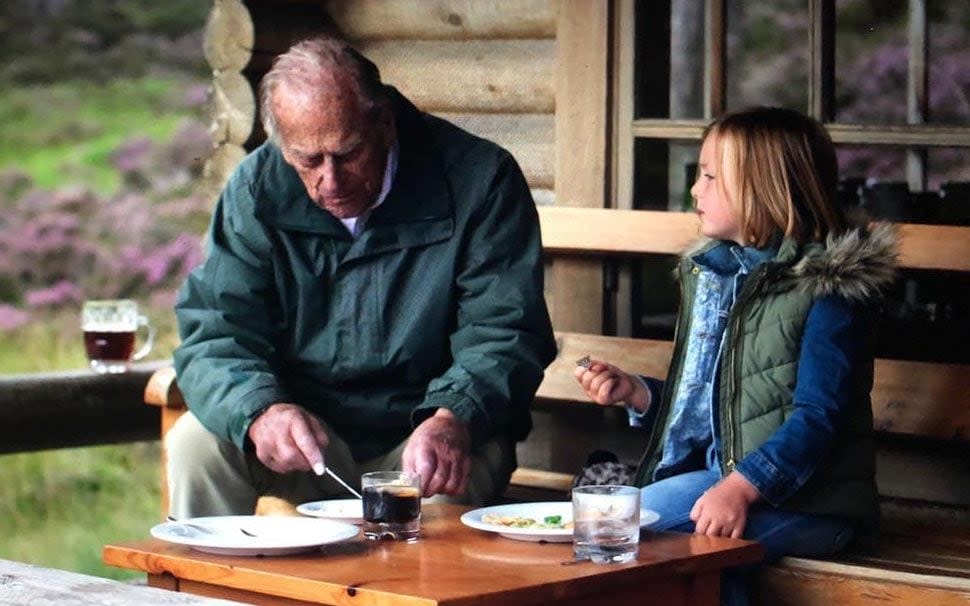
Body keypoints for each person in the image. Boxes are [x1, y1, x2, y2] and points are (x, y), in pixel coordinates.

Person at [166, 35, 556, 518]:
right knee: (195, 445)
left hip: (429, 434)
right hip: (309, 440)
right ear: (282, 146)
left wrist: (456, 416)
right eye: (309, 160)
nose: (331, 180)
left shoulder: (480, 179)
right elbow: (216, 331)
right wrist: (260, 410)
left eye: (348, 153)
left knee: (437, 492)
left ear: (385, 124)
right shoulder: (256, 187)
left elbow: (505, 332)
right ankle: (201, 594)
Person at [574, 107, 895, 605]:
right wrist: (639, 393)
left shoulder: (828, 291)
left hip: (814, 504)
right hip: (727, 481)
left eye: (707, 176)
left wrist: (742, 489)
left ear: (761, 187)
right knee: (657, 543)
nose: (694, 191)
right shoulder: (723, 277)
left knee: (623, 529)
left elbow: (820, 418)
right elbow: (723, 407)